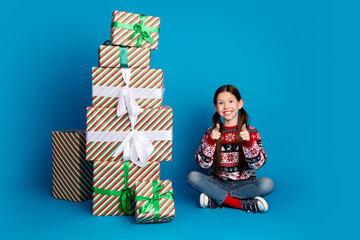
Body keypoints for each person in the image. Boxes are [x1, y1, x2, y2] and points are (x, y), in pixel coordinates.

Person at [187, 85, 274, 213]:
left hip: (245, 184)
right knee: (192, 176)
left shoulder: (251, 132)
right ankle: (241, 204)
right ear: (215, 108)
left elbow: (258, 164)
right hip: (219, 183)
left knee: (268, 183)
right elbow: (203, 164)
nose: (226, 106)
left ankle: (216, 198)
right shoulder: (211, 132)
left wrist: (249, 142)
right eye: (221, 103)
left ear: (240, 104)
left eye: (231, 101)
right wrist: (211, 141)